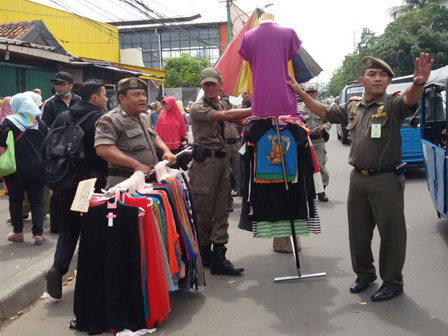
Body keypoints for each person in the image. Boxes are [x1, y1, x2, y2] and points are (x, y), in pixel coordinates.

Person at [287, 53, 434, 302]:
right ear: (361, 80)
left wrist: (418, 82)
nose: (377, 79)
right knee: (358, 232)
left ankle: (392, 282)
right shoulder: (353, 106)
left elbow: (410, 98)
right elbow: (323, 110)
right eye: (372, 74)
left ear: (389, 82)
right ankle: (365, 274)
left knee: (391, 233)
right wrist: (300, 93)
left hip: (386, 179)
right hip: (358, 180)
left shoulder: (393, 105)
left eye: (383, 75)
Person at [46, 79, 109, 299]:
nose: (106, 99)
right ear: (94, 98)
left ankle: (58, 268)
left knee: (68, 226)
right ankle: (88, 276)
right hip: (89, 183)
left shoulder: (64, 116)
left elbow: (49, 146)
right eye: (104, 95)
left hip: (64, 180)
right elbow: (103, 152)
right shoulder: (99, 119)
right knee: (91, 227)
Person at [189, 67, 251, 275]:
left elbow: (239, 121)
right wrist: (255, 108)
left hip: (223, 163)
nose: (210, 87)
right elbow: (224, 115)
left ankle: (219, 255)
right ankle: (205, 253)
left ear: (219, 84)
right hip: (204, 165)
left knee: (222, 209)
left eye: (213, 83)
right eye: (206, 84)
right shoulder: (197, 107)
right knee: (204, 210)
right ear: (202, 86)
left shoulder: (223, 102)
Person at [95, 77, 176, 188]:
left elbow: (154, 136)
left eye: (144, 94)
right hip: (125, 185)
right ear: (122, 98)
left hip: (148, 183)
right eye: (137, 95)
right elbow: (103, 149)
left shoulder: (144, 117)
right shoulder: (112, 119)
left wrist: (166, 151)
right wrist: (135, 165)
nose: (143, 98)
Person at [0, 93, 47, 245]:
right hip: (39, 168)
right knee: (37, 202)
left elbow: (2, 142)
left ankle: (18, 232)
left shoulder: (8, 121)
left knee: (15, 200)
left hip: (16, 168)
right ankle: (38, 235)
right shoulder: (41, 123)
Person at [42, 71, 81, 234]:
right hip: (59, 152)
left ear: (70, 85)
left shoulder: (80, 100)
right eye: (56, 84)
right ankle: (59, 224)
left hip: (79, 149)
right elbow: (47, 128)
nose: (58, 86)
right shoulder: (50, 104)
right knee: (59, 189)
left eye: (61, 83)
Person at [298, 84, 332, 202]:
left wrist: (323, 127)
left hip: (318, 140)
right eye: (308, 92)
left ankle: (321, 191)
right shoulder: (298, 108)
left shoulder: (322, 107)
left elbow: (329, 121)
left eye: (313, 92)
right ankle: (307, 191)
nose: (311, 94)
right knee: (304, 167)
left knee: (320, 165)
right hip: (305, 141)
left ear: (316, 94)